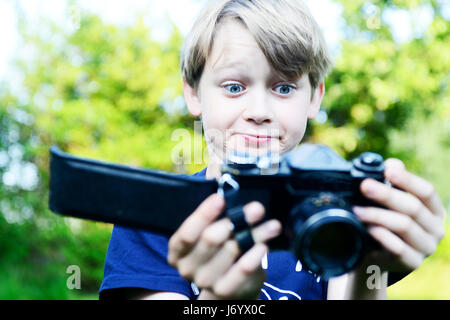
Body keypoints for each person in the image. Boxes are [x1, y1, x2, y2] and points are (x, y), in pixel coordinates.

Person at [99, 0, 446, 300]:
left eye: (283, 88)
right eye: (234, 87)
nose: (260, 111)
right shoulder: (150, 218)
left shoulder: (334, 216)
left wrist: (369, 266)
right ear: (193, 93)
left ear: (314, 97)